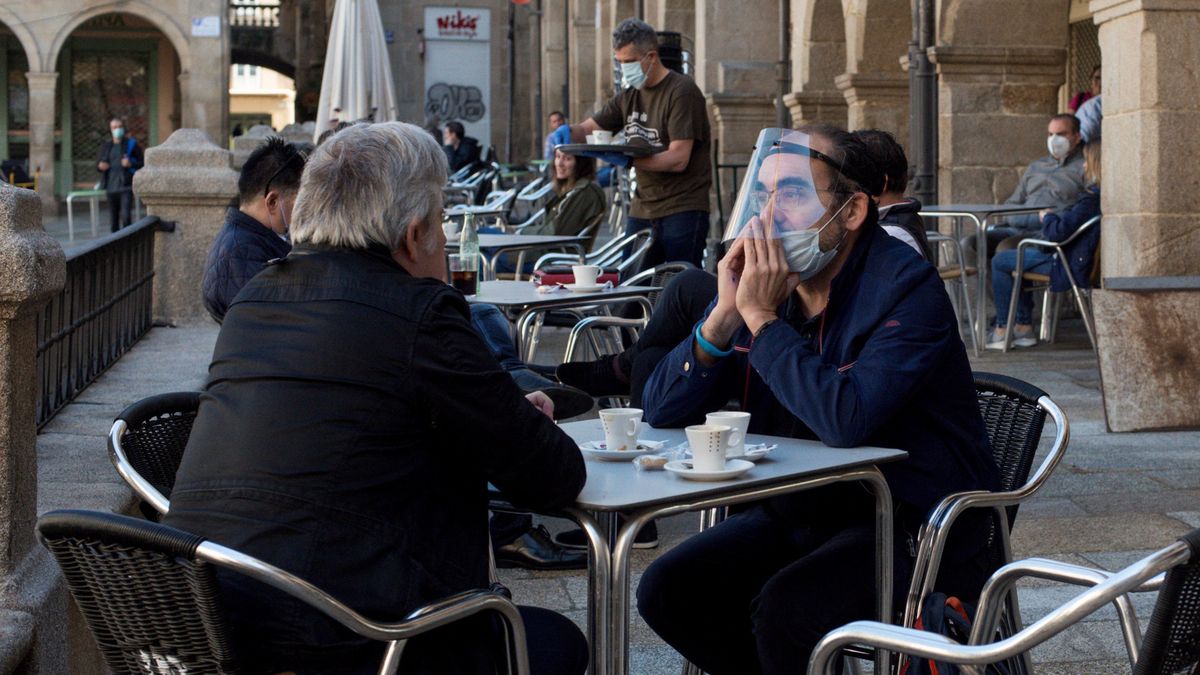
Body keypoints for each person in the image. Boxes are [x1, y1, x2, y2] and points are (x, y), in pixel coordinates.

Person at [164, 121, 589, 675]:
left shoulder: (255, 298)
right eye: (441, 221)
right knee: (558, 643)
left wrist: (495, 411)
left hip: (204, 629)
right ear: (414, 236)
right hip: (351, 641)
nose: (443, 238)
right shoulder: (421, 314)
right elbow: (556, 477)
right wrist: (511, 418)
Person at [634, 125, 1000, 673]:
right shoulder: (771, 288)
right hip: (806, 507)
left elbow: (846, 417)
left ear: (851, 212)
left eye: (792, 194)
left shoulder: (906, 286)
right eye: (762, 195)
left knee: (786, 612)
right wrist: (723, 318)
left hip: (910, 521)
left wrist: (760, 320)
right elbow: (660, 410)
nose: (768, 215)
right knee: (668, 588)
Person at [567, 18, 712, 268]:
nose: (624, 69)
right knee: (631, 283)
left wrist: (630, 161)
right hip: (643, 207)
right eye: (620, 62)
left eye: (630, 62)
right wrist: (565, 133)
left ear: (651, 57)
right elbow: (588, 129)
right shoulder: (629, 97)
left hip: (682, 207)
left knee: (677, 283)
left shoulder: (681, 91)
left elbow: (678, 159)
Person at [988, 140, 1101, 349]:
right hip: (1066, 255)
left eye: (1087, 161)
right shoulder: (1095, 198)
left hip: (1064, 262)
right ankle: (1021, 326)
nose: (1084, 165)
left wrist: (1047, 218)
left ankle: (1004, 327)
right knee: (1004, 252)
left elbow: (1057, 232)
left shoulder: (1089, 200)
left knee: (1001, 261)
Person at [201, 137, 304, 322]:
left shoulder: (246, 240)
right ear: (272, 201)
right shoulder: (240, 252)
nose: (298, 212)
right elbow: (273, 323)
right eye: (296, 203)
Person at [965, 114, 1087, 261]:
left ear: (1077, 137)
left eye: (1061, 134)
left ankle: (1003, 276)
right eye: (1050, 134)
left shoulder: (1085, 167)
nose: (1054, 139)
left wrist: (1049, 219)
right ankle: (987, 277)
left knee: (1006, 248)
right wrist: (1034, 217)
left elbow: (1082, 209)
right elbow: (1009, 207)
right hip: (1015, 229)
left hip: (1047, 233)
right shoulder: (1036, 166)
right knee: (970, 244)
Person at [851, 129, 932, 261]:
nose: (848, 190)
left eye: (854, 180)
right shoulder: (897, 221)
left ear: (881, 183)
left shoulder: (891, 235)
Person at [96, 117, 143, 232]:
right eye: (114, 127)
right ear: (111, 129)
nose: (117, 129)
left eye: (120, 127)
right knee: (113, 218)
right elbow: (98, 165)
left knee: (126, 216)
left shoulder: (131, 144)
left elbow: (142, 163)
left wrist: (130, 164)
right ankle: (115, 240)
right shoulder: (106, 146)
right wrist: (100, 166)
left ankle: (128, 239)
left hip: (126, 186)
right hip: (111, 187)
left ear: (123, 128)